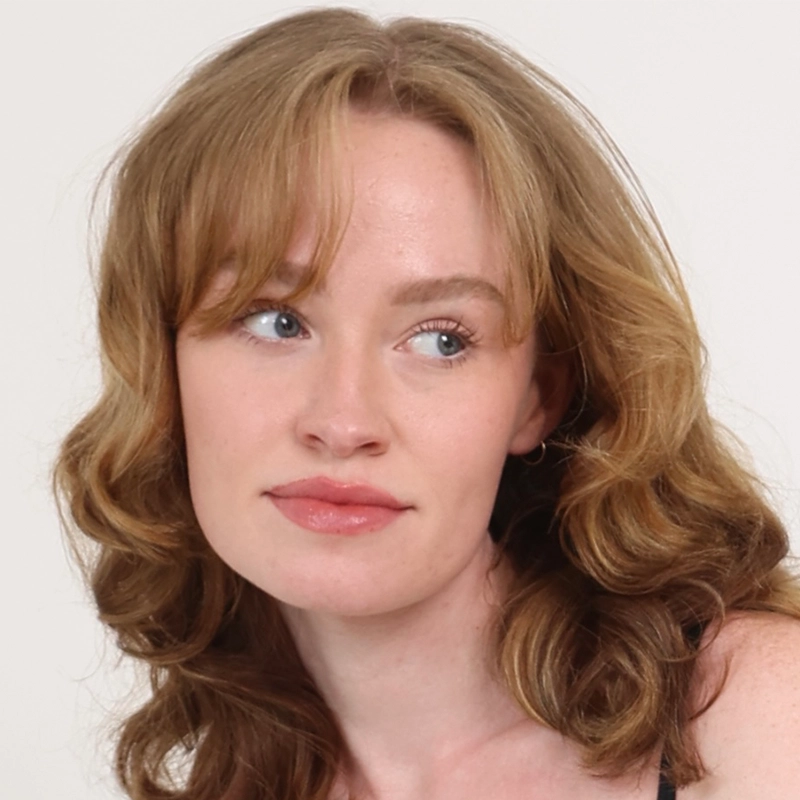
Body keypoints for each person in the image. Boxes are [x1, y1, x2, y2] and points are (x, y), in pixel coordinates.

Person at [54, 7, 800, 800]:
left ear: (537, 398)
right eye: (276, 322)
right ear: (161, 365)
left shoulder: (747, 719)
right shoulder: (228, 781)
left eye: (441, 339)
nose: (344, 423)